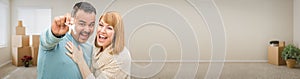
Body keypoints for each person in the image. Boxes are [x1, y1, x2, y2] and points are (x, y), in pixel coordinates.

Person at [37, 2, 96, 79]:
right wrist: (54, 34)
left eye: (91, 24)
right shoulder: (56, 42)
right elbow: (46, 40)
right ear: (72, 21)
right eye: (82, 24)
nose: (87, 30)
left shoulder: (90, 47)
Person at [65, 11, 131, 79]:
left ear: (117, 34)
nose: (102, 31)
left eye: (109, 28)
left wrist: (80, 60)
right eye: (101, 25)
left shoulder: (121, 57)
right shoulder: (98, 45)